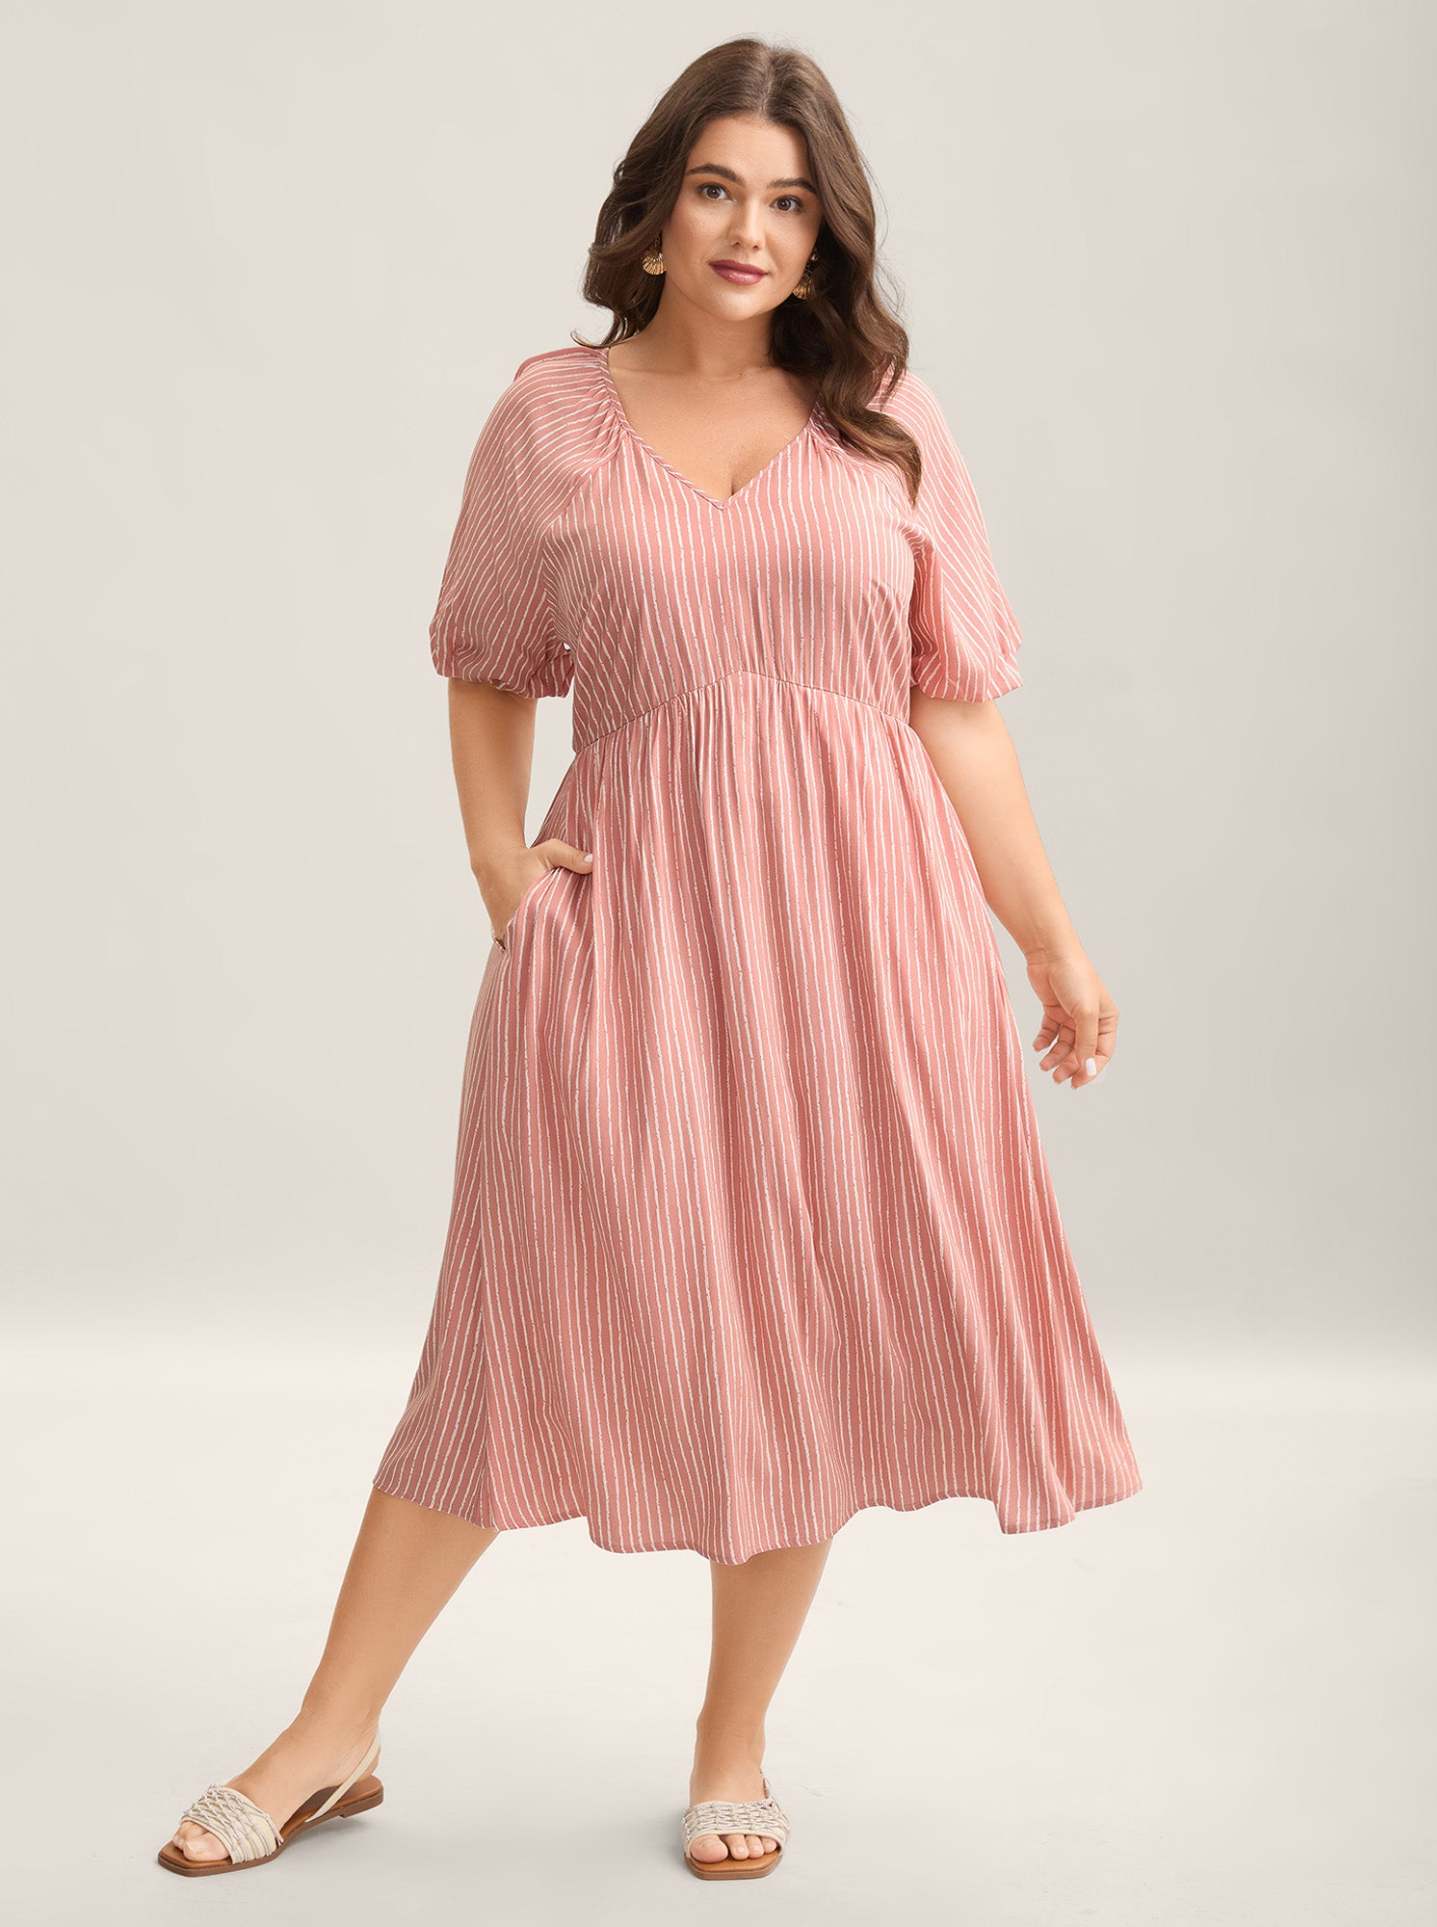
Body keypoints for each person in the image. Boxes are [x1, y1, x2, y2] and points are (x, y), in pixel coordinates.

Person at [158, 36, 1142, 1885]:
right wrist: (497, 867)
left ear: (825, 231)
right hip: (632, 932)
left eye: (787, 201)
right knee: (510, 1327)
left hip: (863, 946)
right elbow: (487, 657)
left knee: (800, 1334)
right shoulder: (553, 414)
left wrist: (1052, 947)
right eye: (715, 189)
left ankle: (730, 1739)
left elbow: (956, 708)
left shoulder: (887, 418)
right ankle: (330, 1733)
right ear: (656, 207)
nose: (749, 230)